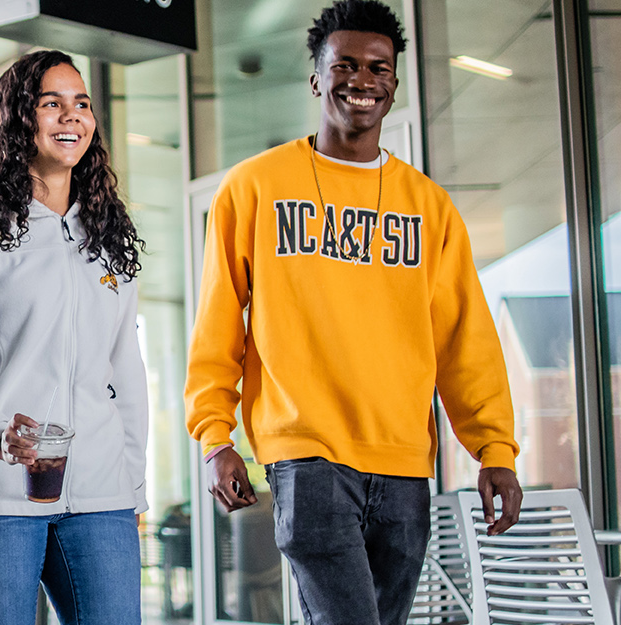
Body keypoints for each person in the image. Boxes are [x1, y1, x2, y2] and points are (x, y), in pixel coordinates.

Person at [183, 2, 523, 624]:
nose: (360, 80)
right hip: (306, 458)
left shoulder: (429, 207)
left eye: (377, 68)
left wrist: (493, 448)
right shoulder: (254, 187)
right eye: (343, 65)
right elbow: (219, 322)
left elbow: (463, 337)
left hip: (402, 463)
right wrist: (214, 436)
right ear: (316, 78)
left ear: (393, 84)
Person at [0, 49, 149, 625]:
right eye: (52, 104)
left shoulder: (108, 238)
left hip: (99, 497)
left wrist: (130, 482)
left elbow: (126, 371)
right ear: (20, 118)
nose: (72, 117)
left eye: (82, 104)